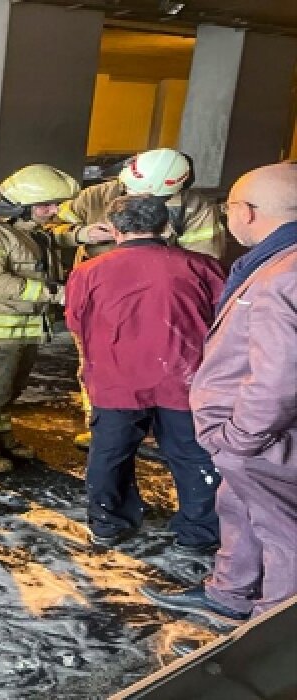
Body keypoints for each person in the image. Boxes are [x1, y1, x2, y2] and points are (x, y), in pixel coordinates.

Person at [142, 162, 297, 625]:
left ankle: (272, 631)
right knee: (239, 507)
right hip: (257, 438)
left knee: (282, 530)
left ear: (248, 211)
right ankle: (231, 594)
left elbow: (278, 377)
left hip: (262, 438)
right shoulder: (276, 262)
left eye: (228, 207)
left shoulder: (278, 279)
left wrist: (240, 438)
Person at [64, 194, 224, 550]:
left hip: (115, 380)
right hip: (184, 377)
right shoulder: (201, 265)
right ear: (165, 224)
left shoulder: (89, 272)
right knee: (193, 454)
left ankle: (108, 523)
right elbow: (223, 320)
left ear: (115, 228)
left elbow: (75, 321)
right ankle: (200, 532)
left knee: (110, 452)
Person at [51, 149, 226, 450]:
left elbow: (203, 264)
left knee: (164, 363)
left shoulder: (197, 209)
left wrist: (152, 246)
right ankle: (103, 428)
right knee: (98, 364)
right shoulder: (97, 196)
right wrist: (80, 234)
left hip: (160, 302)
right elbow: (45, 228)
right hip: (104, 298)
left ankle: (160, 428)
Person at [0, 164, 75, 473]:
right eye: (46, 205)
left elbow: (56, 240)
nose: (54, 210)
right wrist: (53, 294)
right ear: (19, 206)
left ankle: (0, 436)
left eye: (56, 204)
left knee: (8, 390)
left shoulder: (26, 232)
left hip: (19, 330)